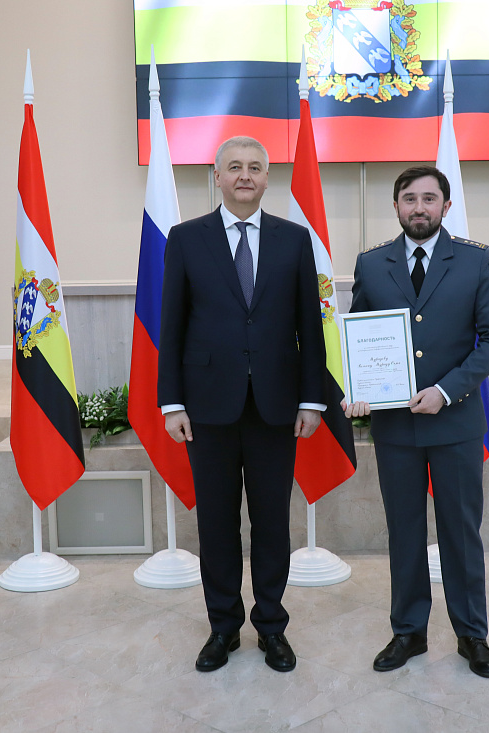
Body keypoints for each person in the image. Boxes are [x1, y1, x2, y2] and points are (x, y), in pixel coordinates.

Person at [158, 136, 326, 673]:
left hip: (277, 406)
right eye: (235, 167)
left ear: (267, 178)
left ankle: (272, 626)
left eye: (255, 167)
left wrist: (312, 399)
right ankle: (223, 628)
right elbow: (171, 324)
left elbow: (310, 324)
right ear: (218, 176)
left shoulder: (294, 239)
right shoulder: (186, 239)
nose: (245, 175)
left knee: (272, 522)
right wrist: (171, 403)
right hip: (207, 407)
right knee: (217, 525)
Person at [344, 165, 489, 678]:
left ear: (446, 206)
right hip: (395, 428)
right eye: (410, 198)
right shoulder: (372, 264)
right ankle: (409, 632)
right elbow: (361, 336)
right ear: (396, 206)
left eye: (429, 198)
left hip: (455, 422)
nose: (419, 207)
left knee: (460, 532)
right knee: (404, 532)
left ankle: (472, 634)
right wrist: (359, 389)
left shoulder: (476, 259)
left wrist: (445, 391)